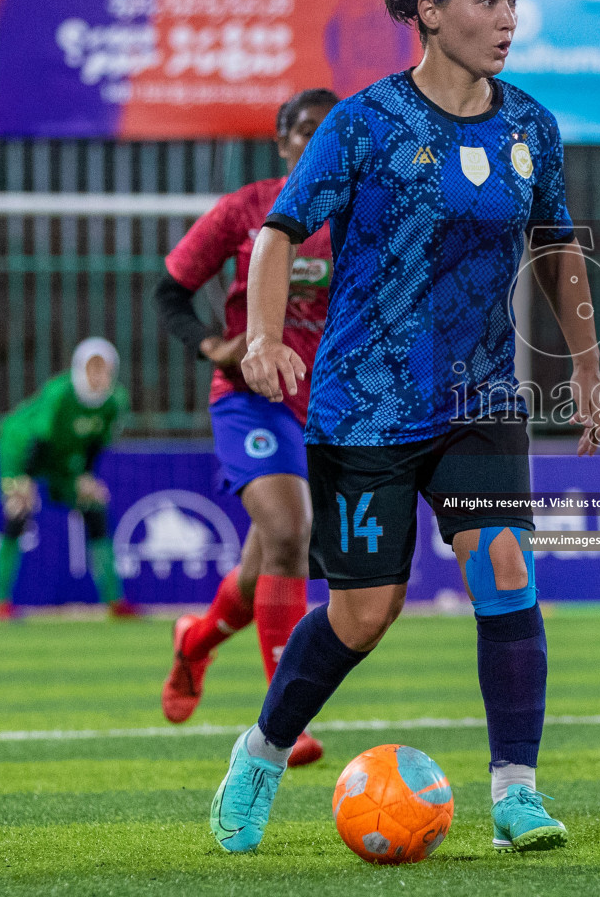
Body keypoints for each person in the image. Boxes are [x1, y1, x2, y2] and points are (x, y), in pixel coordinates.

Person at [208, 0, 600, 856]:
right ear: (430, 12)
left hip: (482, 398)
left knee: (504, 566)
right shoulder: (363, 123)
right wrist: (263, 336)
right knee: (363, 612)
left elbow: (556, 247)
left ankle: (516, 794)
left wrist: (585, 367)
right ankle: (260, 751)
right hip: (366, 403)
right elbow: (277, 233)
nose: (508, 18)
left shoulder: (531, 128)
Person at [153, 88, 339, 769]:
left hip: (322, 410)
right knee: (291, 533)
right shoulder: (247, 209)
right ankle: (286, 718)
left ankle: (194, 642)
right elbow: (170, 292)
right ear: (283, 141)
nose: (318, 142)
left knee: (265, 558)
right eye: (306, 130)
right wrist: (213, 347)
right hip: (251, 398)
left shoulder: (362, 219)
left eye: (332, 132)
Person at [0, 338, 137, 620]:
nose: (99, 377)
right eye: (93, 369)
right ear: (80, 368)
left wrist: (86, 477)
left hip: (63, 461)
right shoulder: (59, 393)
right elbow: (39, 439)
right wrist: (24, 482)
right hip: (21, 451)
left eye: (105, 369)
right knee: (17, 513)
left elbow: (96, 443)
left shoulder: (115, 401)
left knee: (95, 509)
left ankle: (115, 604)